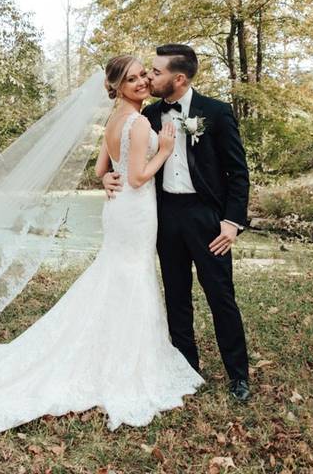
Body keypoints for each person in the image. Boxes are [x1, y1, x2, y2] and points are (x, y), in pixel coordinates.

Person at [0, 55, 205, 432]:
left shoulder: (114, 120)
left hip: (119, 213)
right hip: (136, 211)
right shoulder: (140, 122)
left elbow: (102, 170)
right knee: (131, 275)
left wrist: (108, 179)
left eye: (144, 75)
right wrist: (163, 150)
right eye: (132, 80)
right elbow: (138, 177)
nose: (142, 82)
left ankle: (110, 347)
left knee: (118, 273)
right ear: (117, 87)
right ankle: (127, 360)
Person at [102, 44, 252, 402]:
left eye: (155, 72)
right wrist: (104, 178)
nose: (149, 77)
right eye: (145, 72)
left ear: (179, 78)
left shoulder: (216, 112)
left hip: (208, 218)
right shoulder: (148, 115)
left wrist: (231, 222)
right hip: (163, 216)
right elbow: (118, 153)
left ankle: (238, 376)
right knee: (176, 294)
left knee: (221, 295)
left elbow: (238, 172)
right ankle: (186, 368)